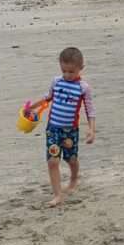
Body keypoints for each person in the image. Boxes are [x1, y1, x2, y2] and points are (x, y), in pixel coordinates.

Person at [30, 47, 97, 208]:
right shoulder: (56, 81)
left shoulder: (83, 88)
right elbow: (48, 98)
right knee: (52, 161)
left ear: (81, 68)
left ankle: (74, 178)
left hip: (70, 131)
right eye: (64, 70)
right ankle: (57, 194)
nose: (67, 75)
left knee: (71, 159)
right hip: (53, 128)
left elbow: (90, 109)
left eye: (71, 71)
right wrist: (32, 107)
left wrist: (91, 129)